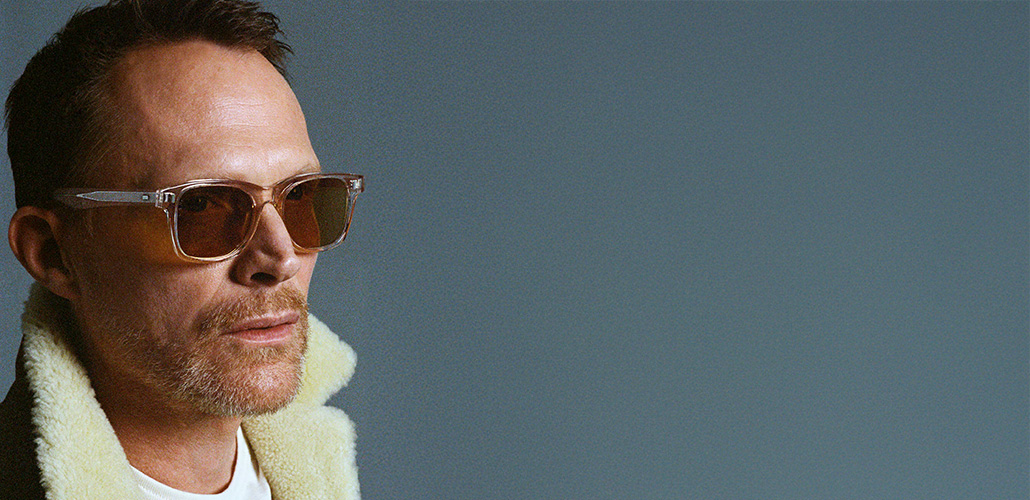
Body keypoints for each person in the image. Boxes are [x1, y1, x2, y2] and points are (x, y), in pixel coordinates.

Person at [0, 0, 362, 498]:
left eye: (301, 198)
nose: (280, 258)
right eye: (204, 207)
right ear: (53, 254)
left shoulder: (322, 470)